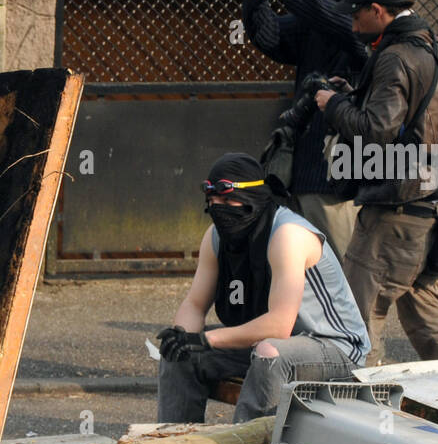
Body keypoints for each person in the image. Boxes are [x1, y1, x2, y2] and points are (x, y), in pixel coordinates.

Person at [316, 0, 438, 366]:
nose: (352, 23)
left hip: (395, 208)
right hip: (428, 201)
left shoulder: (394, 57)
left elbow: (376, 131)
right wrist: (355, 94)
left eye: (357, 13)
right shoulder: (434, 47)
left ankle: (361, 410)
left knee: (357, 317)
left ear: (377, 10)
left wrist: (332, 105)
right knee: (425, 309)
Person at [156, 153, 369, 424]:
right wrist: (182, 336)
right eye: (213, 200)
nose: (219, 207)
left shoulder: (288, 235)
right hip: (267, 345)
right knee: (179, 352)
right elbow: (195, 305)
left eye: (227, 198)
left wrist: (207, 339)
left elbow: (279, 326)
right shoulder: (215, 236)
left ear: (253, 197)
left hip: (334, 348)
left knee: (270, 352)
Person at [238, 0, 389, 261]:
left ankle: (354, 318)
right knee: (295, 269)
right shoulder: (319, 18)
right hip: (299, 171)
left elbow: (345, 27)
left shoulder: (376, 27)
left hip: (341, 178)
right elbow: (272, 37)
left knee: (345, 271)